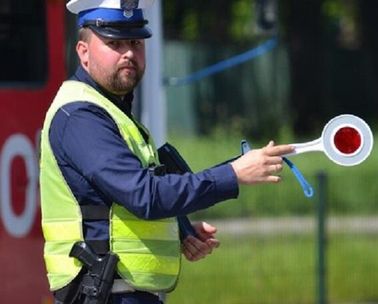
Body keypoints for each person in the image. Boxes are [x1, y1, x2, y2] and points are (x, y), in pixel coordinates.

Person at [39, 1, 294, 303]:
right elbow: (144, 196)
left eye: (135, 42)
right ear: (83, 52)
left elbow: (122, 209)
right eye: (114, 43)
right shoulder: (81, 115)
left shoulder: (112, 111)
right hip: (104, 295)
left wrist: (179, 230)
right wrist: (233, 174)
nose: (129, 53)